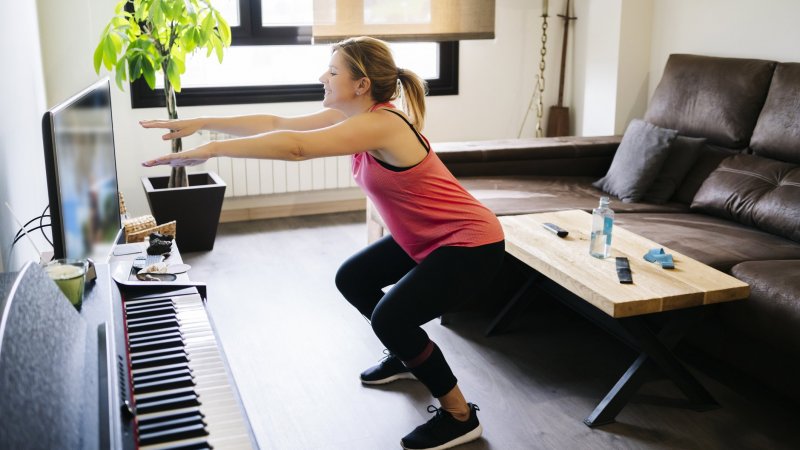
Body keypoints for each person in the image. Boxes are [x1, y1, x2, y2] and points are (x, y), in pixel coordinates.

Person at [141, 36, 505, 450]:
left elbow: (296, 148)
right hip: (425, 238)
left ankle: (460, 415)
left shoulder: (382, 123)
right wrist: (203, 123)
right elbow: (279, 125)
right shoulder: (356, 115)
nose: (322, 77)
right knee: (353, 279)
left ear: (362, 84)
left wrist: (213, 149)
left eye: (333, 71)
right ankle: (409, 354)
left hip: (469, 242)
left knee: (390, 318)